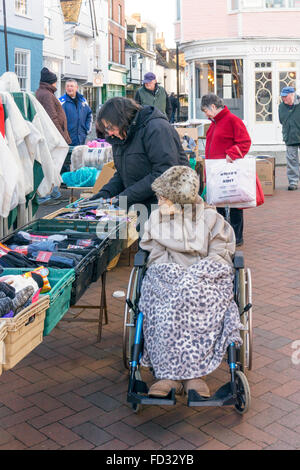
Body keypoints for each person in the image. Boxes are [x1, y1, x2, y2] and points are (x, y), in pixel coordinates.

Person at [138, 165, 243, 397]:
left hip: (204, 278)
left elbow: (221, 253)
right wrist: (173, 273)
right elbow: (153, 254)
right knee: (164, 305)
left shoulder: (211, 219)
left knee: (196, 301)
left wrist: (197, 274)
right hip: (166, 276)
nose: (159, 201)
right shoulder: (156, 219)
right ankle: (167, 375)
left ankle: (195, 374)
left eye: (164, 198)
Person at [90, 97, 189, 216]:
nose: (109, 133)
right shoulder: (120, 136)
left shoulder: (156, 128)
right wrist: (105, 193)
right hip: (140, 204)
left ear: (122, 119)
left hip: (165, 205)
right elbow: (123, 174)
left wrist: (124, 197)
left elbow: (164, 173)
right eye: (106, 129)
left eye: (110, 127)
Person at [201, 93, 251, 246]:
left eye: (206, 110)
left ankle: (237, 237)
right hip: (216, 171)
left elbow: (245, 142)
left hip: (228, 170)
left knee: (234, 204)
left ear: (213, 107)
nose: (206, 114)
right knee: (218, 203)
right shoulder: (214, 123)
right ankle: (222, 234)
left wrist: (232, 153)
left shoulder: (233, 121)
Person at [35, 67, 71, 202]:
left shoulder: (44, 93)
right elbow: (52, 117)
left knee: (51, 164)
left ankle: (52, 191)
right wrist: (61, 135)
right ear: (51, 82)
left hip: (49, 135)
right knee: (53, 163)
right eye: (55, 82)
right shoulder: (47, 95)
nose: (56, 84)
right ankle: (48, 192)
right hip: (52, 137)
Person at [278, 86, 300, 191]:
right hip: (290, 136)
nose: (283, 99)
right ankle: (293, 182)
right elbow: (281, 120)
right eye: (282, 97)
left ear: (292, 95)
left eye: (285, 97)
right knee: (292, 160)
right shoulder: (281, 106)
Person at [59, 79, 93, 147]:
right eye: (67, 86)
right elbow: (57, 119)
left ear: (76, 87)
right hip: (67, 140)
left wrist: (87, 129)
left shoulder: (83, 101)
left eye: (71, 86)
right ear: (65, 88)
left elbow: (89, 115)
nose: (69, 88)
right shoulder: (61, 101)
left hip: (81, 139)